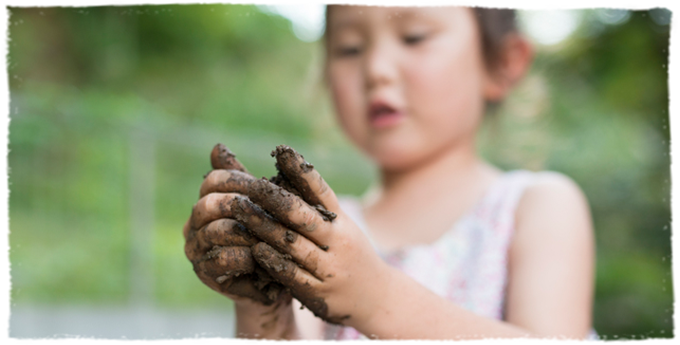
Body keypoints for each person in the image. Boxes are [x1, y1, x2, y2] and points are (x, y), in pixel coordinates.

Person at [183, 0, 601, 344]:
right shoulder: (327, 228)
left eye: (414, 37)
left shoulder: (538, 206)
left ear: (502, 62)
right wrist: (263, 307)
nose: (377, 69)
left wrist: (375, 297)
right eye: (349, 48)